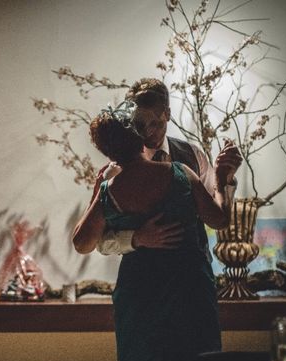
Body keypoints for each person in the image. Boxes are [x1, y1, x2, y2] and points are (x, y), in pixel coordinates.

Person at [72, 102, 233, 361]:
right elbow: (219, 220)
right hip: (190, 288)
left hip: (140, 295)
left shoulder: (110, 191)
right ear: (139, 137)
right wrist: (221, 177)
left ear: (107, 151)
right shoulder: (181, 173)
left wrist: (99, 192)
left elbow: (82, 243)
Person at [96, 78, 241, 257]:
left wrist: (225, 178)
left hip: (193, 271)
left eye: (156, 123)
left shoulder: (193, 155)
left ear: (167, 113)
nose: (149, 131)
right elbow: (100, 241)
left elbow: (216, 213)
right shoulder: (117, 170)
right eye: (141, 125)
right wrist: (136, 238)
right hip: (145, 277)